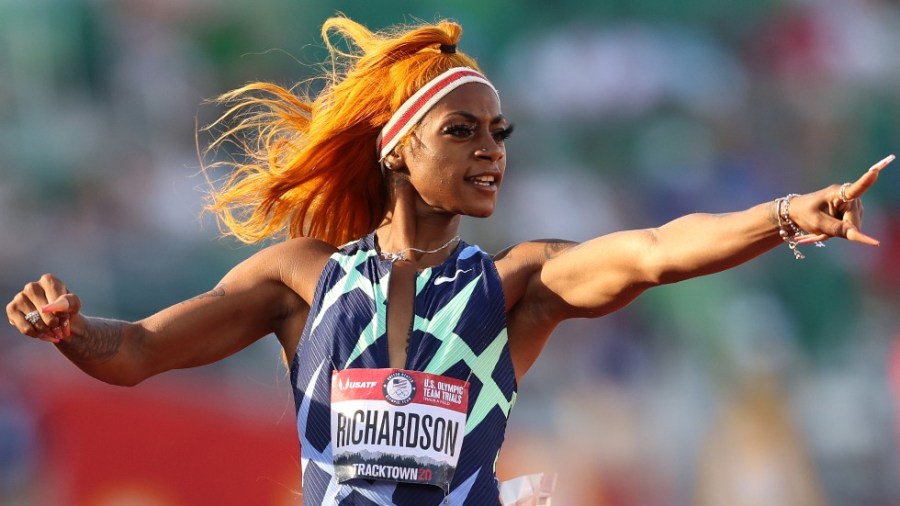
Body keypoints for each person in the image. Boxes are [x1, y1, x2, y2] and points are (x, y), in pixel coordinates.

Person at [4, 14, 894, 506]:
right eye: (461, 132)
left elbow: (657, 253)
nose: (491, 152)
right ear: (398, 151)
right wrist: (72, 330)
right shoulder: (300, 279)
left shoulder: (519, 284)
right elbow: (137, 353)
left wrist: (785, 215)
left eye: (499, 134)